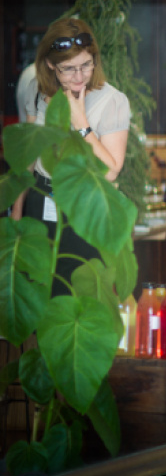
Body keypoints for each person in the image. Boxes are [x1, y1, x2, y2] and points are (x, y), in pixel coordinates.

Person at [11, 17, 131, 296]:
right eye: (68, 68)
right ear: (50, 65)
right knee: (37, 292)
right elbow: (29, 157)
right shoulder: (37, 91)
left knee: (77, 293)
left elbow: (110, 170)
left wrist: (81, 123)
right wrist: (17, 211)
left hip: (84, 206)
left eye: (86, 65)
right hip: (40, 200)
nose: (79, 76)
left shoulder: (112, 101)